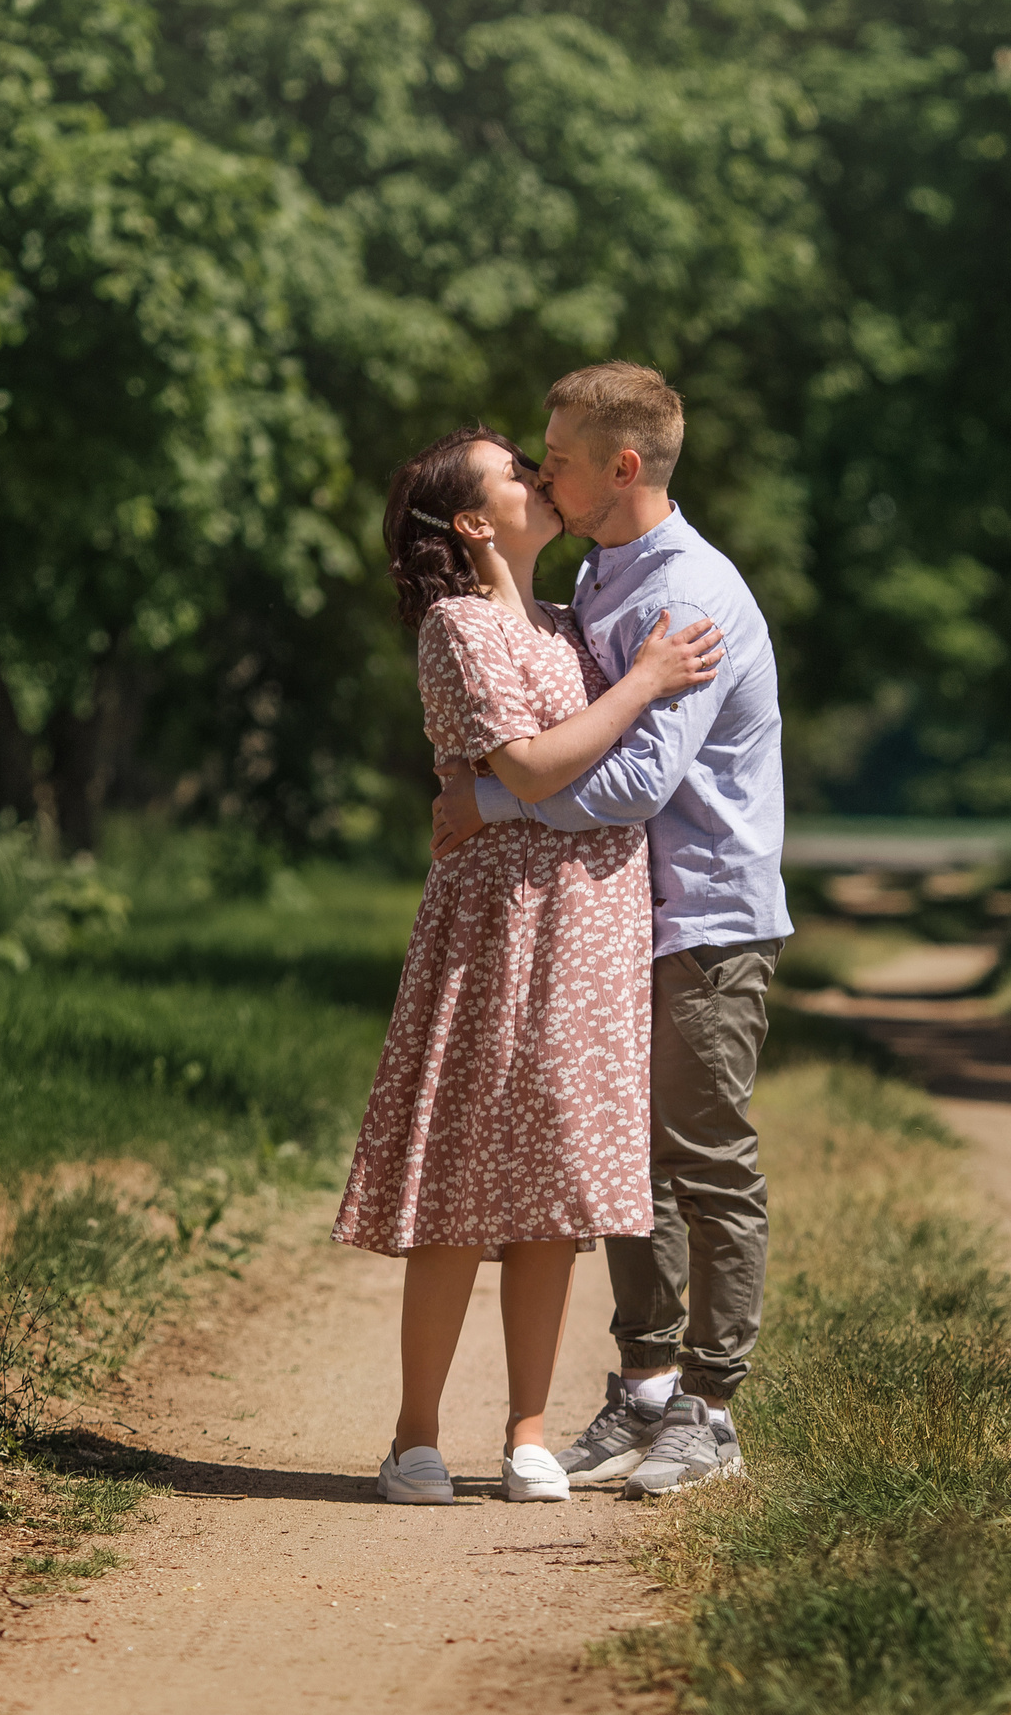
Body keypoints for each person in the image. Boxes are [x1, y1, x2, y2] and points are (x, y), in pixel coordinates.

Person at [333, 425, 724, 1507]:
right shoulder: (458, 625)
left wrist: (623, 685)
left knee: (553, 1180)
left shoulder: (564, 620)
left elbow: (587, 770)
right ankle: (415, 1436)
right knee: (463, 1179)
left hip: (589, 927)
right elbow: (536, 765)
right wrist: (645, 679)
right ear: (473, 521)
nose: (538, 476)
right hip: (497, 924)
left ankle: (528, 1434)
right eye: (514, 471)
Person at [432, 362, 791, 1500]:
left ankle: (712, 1409)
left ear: (622, 467)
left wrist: (488, 800)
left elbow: (637, 781)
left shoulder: (689, 596)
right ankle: (644, 1389)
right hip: (621, 915)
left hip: (707, 916)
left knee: (702, 1157)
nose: (543, 473)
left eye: (559, 459)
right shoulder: (598, 570)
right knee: (626, 1159)